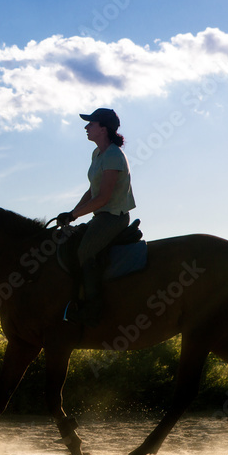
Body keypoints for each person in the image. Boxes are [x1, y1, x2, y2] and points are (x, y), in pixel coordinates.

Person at [56, 108, 136, 325]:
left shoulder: (113, 155)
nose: (86, 127)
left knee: (84, 252)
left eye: (91, 124)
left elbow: (102, 198)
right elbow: (92, 190)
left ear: (103, 128)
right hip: (102, 216)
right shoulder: (98, 154)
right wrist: (70, 215)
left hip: (113, 217)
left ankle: (94, 308)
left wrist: (73, 214)